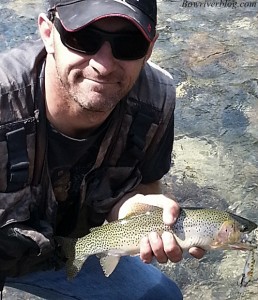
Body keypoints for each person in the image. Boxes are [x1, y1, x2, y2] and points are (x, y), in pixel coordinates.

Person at [0, 0, 204, 299]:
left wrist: (136, 211)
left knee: (162, 295)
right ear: (47, 32)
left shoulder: (156, 101)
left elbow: (146, 186)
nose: (103, 64)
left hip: (75, 249)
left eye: (129, 43)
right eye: (83, 38)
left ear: (149, 48)